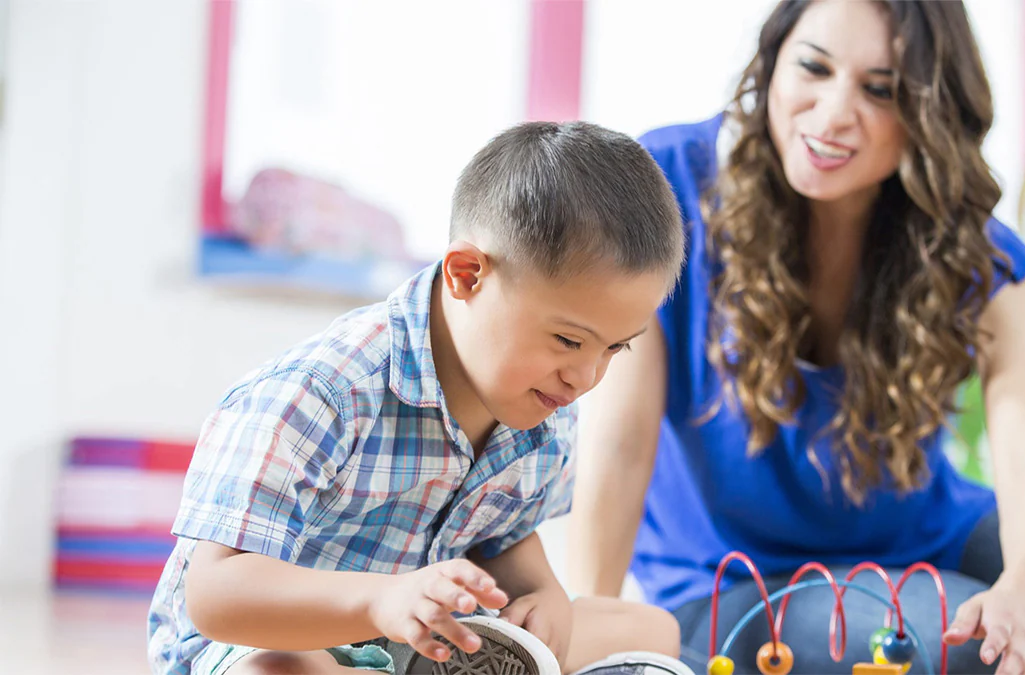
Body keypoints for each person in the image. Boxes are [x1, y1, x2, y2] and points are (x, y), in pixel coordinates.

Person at [567, 1, 1025, 674]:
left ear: (930, 113)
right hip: (726, 577)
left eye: (881, 89)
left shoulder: (984, 261)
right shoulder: (666, 183)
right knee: (967, 652)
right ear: (772, 60)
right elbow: (619, 440)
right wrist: (587, 622)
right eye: (812, 66)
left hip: (931, 536)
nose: (835, 113)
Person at [147, 121, 695, 675]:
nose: (585, 377)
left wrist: (544, 591)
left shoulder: (545, 405)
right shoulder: (325, 390)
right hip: (275, 642)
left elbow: (503, 536)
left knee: (653, 629)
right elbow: (216, 595)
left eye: (615, 348)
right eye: (569, 340)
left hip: (429, 643)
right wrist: (379, 601)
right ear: (467, 275)